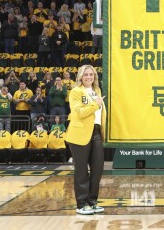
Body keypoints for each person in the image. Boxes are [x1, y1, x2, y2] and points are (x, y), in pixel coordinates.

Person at [65, 65, 106, 215]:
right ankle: (82, 204)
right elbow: (80, 113)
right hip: (79, 134)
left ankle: (92, 201)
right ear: (80, 77)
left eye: (91, 74)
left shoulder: (97, 91)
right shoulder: (76, 92)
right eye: (86, 74)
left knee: (98, 168)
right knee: (82, 170)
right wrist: (96, 105)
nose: (89, 77)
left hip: (95, 132)